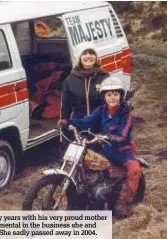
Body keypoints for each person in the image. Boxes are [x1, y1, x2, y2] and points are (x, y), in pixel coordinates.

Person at [59, 76, 141, 219]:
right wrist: (68, 121)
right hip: (106, 148)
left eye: (116, 94)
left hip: (123, 150)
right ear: (104, 97)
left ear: (121, 96)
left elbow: (124, 131)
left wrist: (113, 137)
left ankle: (124, 203)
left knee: (135, 170)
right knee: (87, 165)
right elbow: (87, 120)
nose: (112, 98)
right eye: (109, 95)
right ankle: (87, 198)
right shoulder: (101, 110)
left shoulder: (125, 112)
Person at [58, 41, 132, 145]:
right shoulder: (70, 80)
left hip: (100, 127)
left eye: (91, 53)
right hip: (79, 126)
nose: (88, 56)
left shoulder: (104, 77)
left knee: (100, 159)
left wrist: (124, 105)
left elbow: (114, 98)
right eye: (84, 53)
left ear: (96, 56)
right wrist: (64, 124)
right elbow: (65, 105)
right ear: (79, 57)